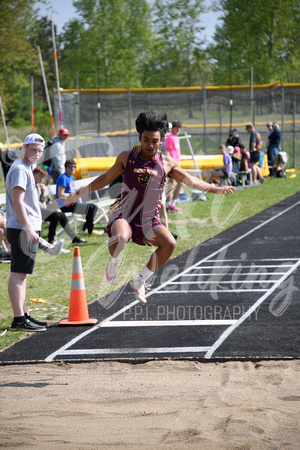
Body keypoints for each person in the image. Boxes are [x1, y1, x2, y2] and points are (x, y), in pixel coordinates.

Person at [65, 111, 235, 304]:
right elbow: (105, 178)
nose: (150, 145)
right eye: (146, 140)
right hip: (123, 212)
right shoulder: (126, 157)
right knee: (121, 237)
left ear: (161, 140)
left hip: (148, 218)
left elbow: (191, 180)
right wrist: (79, 193)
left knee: (169, 243)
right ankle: (114, 261)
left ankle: (140, 281)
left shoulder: (167, 163)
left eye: (154, 141)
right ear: (139, 138)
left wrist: (216, 189)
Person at [5, 133, 48, 332]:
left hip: (23, 227)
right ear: (23, 147)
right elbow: (17, 202)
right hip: (22, 228)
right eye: (33, 149)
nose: (36, 154)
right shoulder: (21, 169)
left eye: (40, 151)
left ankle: (22, 314)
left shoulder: (26, 168)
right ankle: (19, 320)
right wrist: (29, 228)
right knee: (18, 274)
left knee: (22, 275)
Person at [33, 166, 80, 247]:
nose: (41, 179)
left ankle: (74, 237)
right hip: (34, 211)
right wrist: (43, 204)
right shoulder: (32, 186)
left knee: (61, 215)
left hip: (40, 209)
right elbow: (34, 202)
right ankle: (51, 240)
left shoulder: (39, 186)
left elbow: (42, 200)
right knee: (56, 215)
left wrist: (43, 192)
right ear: (34, 174)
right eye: (40, 176)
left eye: (43, 178)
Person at [56, 159, 98, 239]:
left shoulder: (71, 178)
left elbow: (71, 193)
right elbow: (60, 194)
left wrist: (78, 192)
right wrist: (74, 194)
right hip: (64, 205)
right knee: (91, 208)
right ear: (65, 168)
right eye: (70, 167)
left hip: (71, 203)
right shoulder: (63, 178)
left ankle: (86, 228)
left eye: (74, 167)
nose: (72, 169)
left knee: (94, 207)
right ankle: (89, 231)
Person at [164, 120, 183, 212]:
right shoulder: (170, 138)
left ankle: (169, 205)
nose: (178, 129)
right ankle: (171, 204)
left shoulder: (177, 138)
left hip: (176, 164)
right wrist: (169, 165)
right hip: (172, 165)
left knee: (172, 184)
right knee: (181, 182)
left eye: (179, 127)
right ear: (173, 128)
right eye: (176, 127)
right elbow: (167, 151)